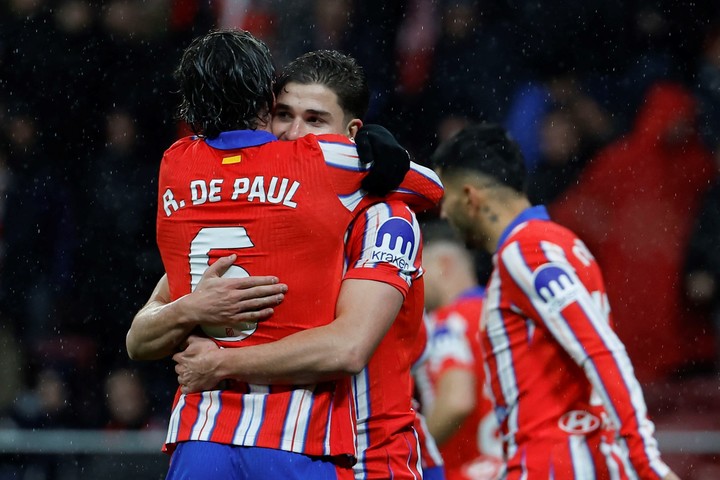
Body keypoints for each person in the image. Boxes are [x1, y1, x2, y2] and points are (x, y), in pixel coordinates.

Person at [125, 31, 442, 480]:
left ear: (351, 132)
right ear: (263, 108)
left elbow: (349, 347)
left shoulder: (177, 163)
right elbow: (433, 188)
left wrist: (218, 358)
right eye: (282, 115)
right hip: (293, 439)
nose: (294, 134)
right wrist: (190, 307)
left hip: (364, 448)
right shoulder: (303, 178)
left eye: (314, 120)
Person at [430, 122, 679, 480]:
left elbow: (600, 349)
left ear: (470, 197)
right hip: (580, 456)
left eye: (446, 199)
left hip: (553, 463)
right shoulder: (560, 243)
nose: (443, 214)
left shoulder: (526, 251)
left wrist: (647, 461)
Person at [414, 220, 502, 480]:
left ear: (443, 264)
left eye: (417, 270)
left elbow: (456, 400)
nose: (410, 281)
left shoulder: (447, 323)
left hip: (466, 472)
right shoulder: (502, 312)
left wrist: (411, 454)